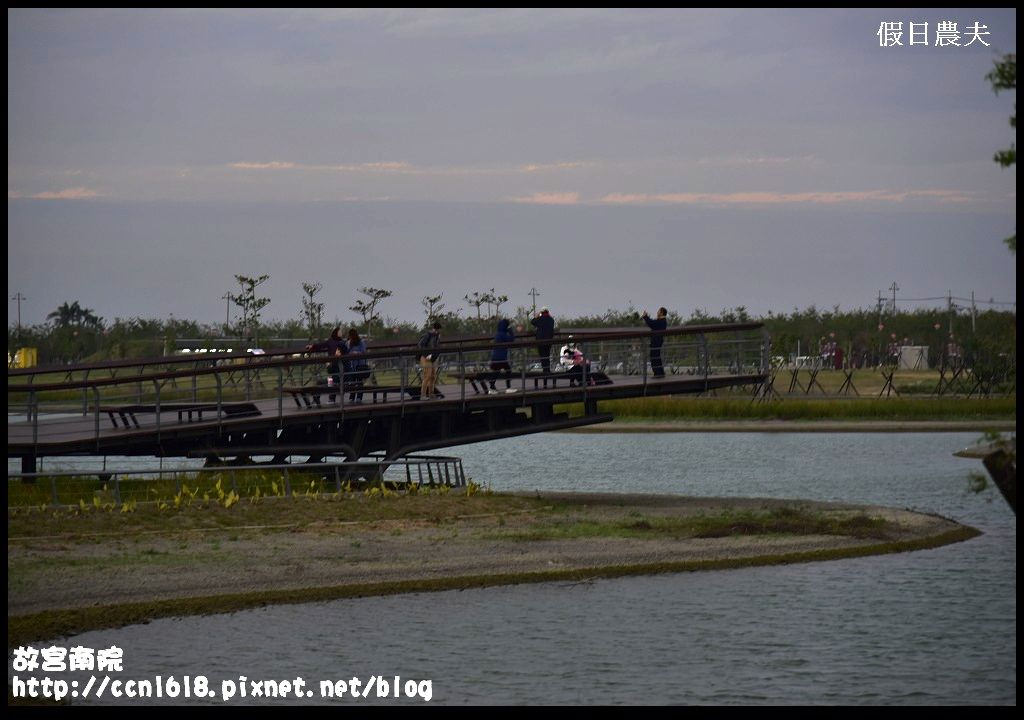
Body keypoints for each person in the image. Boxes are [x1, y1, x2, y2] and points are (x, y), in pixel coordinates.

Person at [305, 326, 346, 402]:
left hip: (339, 366)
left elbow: (346, 352)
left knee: (332, 381)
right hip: (332, 366)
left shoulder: (342, 342)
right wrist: (312, 346)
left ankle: (330, 398)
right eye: (340, 331)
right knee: (330, 381)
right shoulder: (331, 341)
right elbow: (321, 345)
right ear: (336, 332)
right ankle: (320, 398)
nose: (341, 333)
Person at [488, 318, 517, 394]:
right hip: (501, 357)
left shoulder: (498, 334)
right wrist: (510, 331)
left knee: (496, 372)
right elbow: (512, 339)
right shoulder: (503, 334)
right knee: (508, 370)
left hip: (495, 357)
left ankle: (492, 388)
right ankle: (508, 387)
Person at [417, 321, 443, 399]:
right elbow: (421, 345)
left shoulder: (437, 336)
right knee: (427, 376)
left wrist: (435, 356)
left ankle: (431, 394)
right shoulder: (428, 335)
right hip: (426, 357)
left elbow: (437, 347)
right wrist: (427, 354)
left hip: (433, 358)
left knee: (433, 376)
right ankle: (423, 395)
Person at [530, 306, 555, 386]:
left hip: (540, 341)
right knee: (546, 356)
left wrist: (537, 316)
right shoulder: (551, 320)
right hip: (548, 341)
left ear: (541, 312)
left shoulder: (540, 319)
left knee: (543, 357)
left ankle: (545, 371)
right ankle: (547, 370)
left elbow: (533, 322)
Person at [345, 329, 370, 403]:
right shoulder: (348, 343)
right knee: (352, 381)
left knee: (359, 381)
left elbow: (363, 351)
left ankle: (359, 397)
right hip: (352, 365)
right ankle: (352, 397)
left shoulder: (361, 342)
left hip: (360, 365)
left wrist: (356, 353)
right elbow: (346, 352)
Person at [642, 307, 668, 378]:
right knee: (656, 357)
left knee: (654, 357)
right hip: (657, 341)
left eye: (658, 311)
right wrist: (646, 317)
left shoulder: (662, 321)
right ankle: (660, 373)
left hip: (656, 341)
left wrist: (645, 317)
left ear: (662, 312)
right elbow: (653, 323)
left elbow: (652, 323)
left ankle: (658, 373)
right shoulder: (662, 321)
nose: (657, 312)